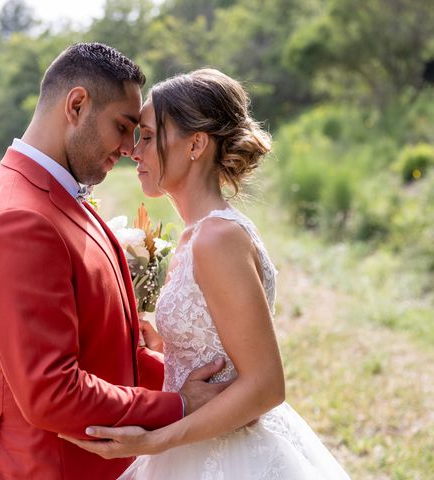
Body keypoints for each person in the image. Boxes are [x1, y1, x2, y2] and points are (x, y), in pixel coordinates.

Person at [60, 69, 351, 479]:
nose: (132, 149)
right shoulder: (195, 236)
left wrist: (154, 441)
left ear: (196, 143)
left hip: (230, 455)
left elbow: (266, 386)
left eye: (146, 135)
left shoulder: (218, 238)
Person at [0, 44, 229, 480]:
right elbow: (54, 393)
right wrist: (179, 405)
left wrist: (195, 380)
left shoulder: (57, 194)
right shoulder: (18, 221)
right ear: (77, 105)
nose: (128, 147)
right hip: (44, 466)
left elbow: (107, 352)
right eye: (122, 126)